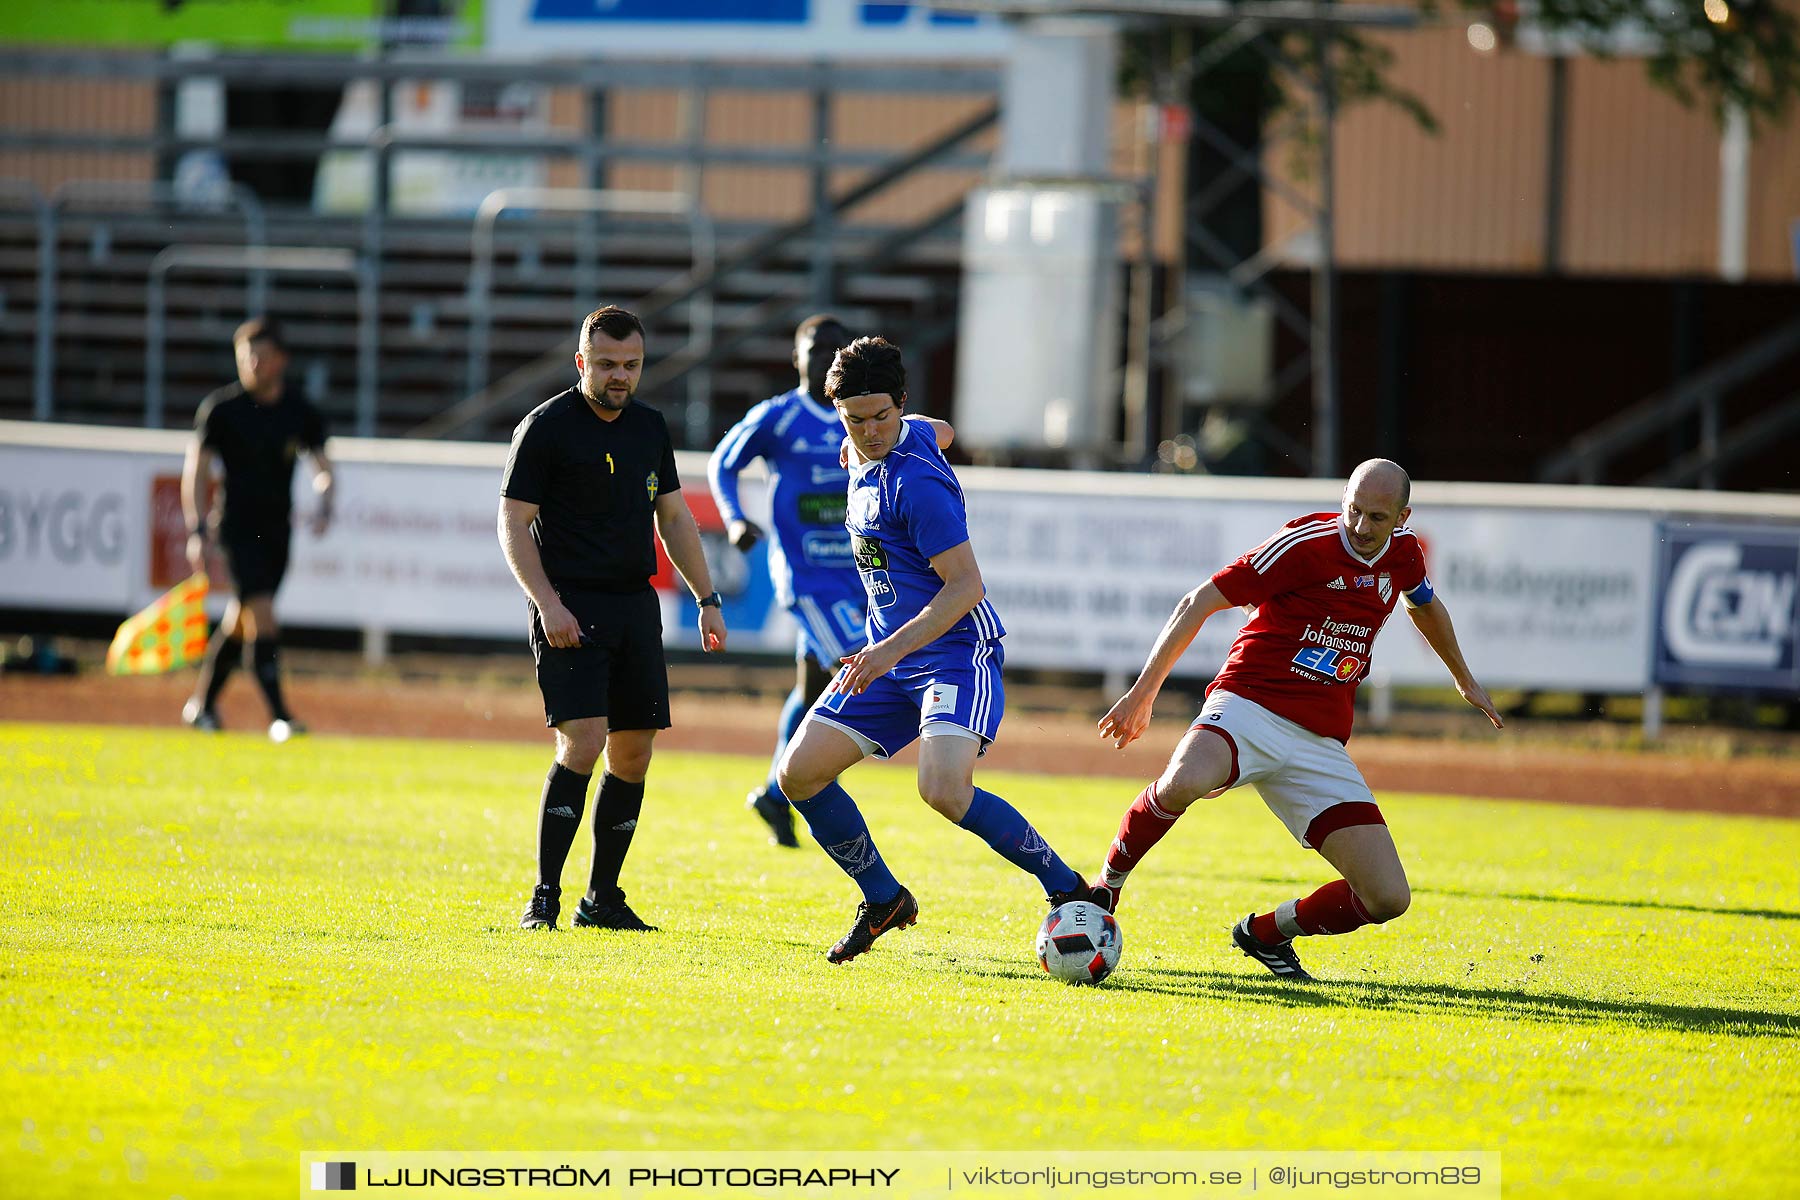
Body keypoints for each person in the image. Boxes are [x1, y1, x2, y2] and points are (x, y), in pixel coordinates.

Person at [1092, 459, 1503, 981]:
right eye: (1353, 510)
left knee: (1387, 897)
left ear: (1403, 516)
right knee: (1184, 781)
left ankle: (1266, 933)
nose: (1359, 526)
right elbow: (1198, 602)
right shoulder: (1305, 543)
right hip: (1249, 704)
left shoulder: (1404, 554)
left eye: (1377, 517)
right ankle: (1106, 886)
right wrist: (1142, 694)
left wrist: (1462, 678)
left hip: (1318, 742)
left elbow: (1424, 604)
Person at [775, 336, 1095, 963]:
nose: (869, 432)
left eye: (882, 417)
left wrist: (884, 653)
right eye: (854, 419)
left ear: (900, 402)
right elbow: (941, 429)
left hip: (952, 652)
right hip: (892, 657)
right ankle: (883, 897)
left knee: (944, 789)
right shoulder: (904, 435)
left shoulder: (916, 486)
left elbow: (966, 587)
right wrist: (904, 427)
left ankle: (1068, 887)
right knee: (799, 773)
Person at [500, 305, 728, 932]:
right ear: (582, 362)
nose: (619, 376)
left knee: (632, 756)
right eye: (606, 364)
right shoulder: (546, 428)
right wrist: (548, 603)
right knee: (583, 742)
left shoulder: (649, 427)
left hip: (634, 605)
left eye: (630, 365)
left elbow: (675, 518)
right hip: (569, 602)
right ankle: (543, 894)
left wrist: (707, 599)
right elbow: (513, 522)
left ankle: (601, 899)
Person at [708, 315, 952, 849]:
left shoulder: (866, 419)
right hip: (808, 577)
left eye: (830, 349)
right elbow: (723, 463)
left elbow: (937, 434)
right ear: (796, 357)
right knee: (859, 666)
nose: (820, 356)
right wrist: (734, 518)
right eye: (811, 348)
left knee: (812, 684)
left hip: (861, 577)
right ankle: (798, 780)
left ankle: (777, 791)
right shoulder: (779, 417)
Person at [181, 316, 333, 742]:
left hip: (277, 531)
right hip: (236, 530)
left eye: (260, 356)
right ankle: (280, 717)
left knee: (242, 621)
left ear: (281, 360)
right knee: (262, 616)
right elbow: (194, 472)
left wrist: (326, 493)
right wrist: (196, 529)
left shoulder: (299, 411)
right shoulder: (222, 410)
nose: (251, 364)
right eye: (244, 356)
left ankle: (202, 705)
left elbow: (322, 466)